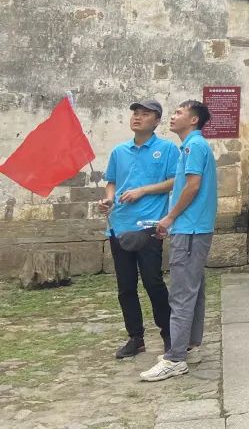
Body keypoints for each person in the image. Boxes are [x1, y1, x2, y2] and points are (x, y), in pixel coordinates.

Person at [140, 100, 218, 382]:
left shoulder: (193, 146)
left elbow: (193, 186)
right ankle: (189, 346)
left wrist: (170, 217)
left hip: (191, 228)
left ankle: (175, 358)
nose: (172, 117)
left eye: (179, 113)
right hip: (194, 227)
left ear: (194, 120)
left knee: (182, 293)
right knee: (193, 290)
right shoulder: (193, 146)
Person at [99, 100, 179, 359]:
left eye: (145, 114)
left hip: (149, 226)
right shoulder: (119, 151)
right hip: (119, 225)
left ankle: (169, 334)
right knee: (125, 286)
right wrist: (108, 199)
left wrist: (143, 190)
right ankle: (136, 337)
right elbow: (112, 182)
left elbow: (175, 181)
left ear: (156, 121)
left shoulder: (167, 149)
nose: (138, 117)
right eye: (135, 113)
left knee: (153, 281)